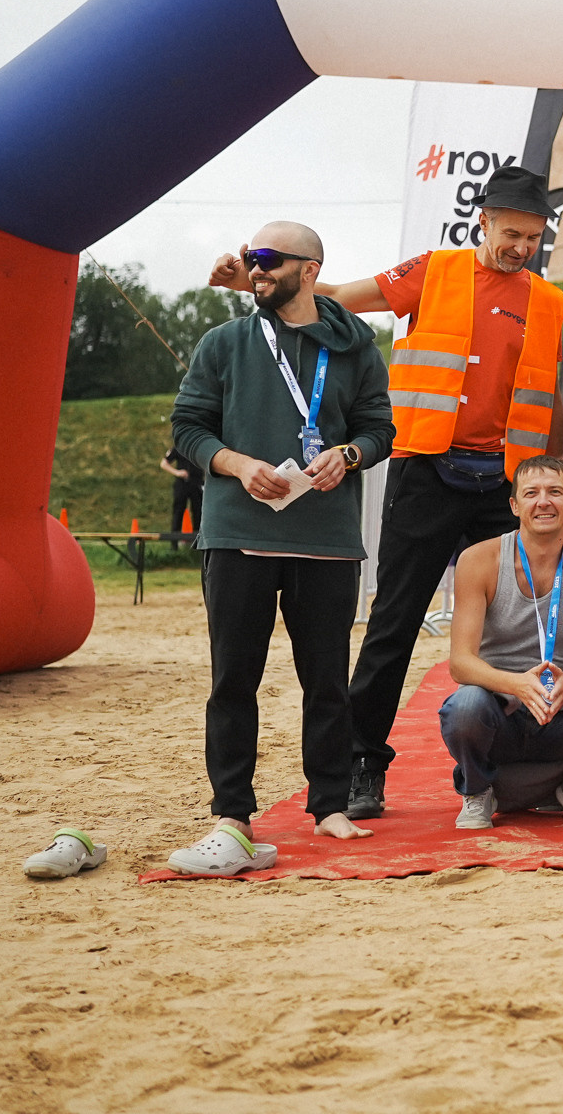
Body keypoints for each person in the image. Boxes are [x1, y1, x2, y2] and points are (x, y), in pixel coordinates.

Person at [253, 164, 563, 823]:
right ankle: (362, 766)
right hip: (425, 474)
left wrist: (552, 482)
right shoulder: (434, 271)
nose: (521, 248)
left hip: (502, 487)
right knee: (393, 625)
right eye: (512, 233)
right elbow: (336, 296)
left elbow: (548, 402)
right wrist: (279, 273)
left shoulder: (550, 301)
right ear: (482, 220)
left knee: (510, 632)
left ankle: (509, 769)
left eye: (533, 238)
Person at [167, 223, 392, 875]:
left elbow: (380, 429)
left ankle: (329, 804)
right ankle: (232, 810)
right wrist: (234, 464)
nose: (253, 269)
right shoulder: (225, 342)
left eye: (267, 260)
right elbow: (188, 426)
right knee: (232, 681)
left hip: (326, 541)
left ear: (310, 270)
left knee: (326, 683)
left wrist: (349, 455)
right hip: (238, 535)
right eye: (248, 259)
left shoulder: (353, 347)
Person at [438, 456, 563, 827]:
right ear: (515, 505)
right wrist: (516, 685)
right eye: (531, 493)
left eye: (555, 492)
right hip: (500, 707)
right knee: (463, 706)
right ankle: (478, 790)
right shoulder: (479, 560)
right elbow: (460, 663)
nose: (543, 502)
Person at [161, 445, 206, 539]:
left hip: (197, 483)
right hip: (182, 483)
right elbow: (164, 463)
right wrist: (177, 472)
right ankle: (174, 541)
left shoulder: (201, 446)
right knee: (178, 511)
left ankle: (197, 540)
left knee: (198, 512)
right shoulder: (179, 447)